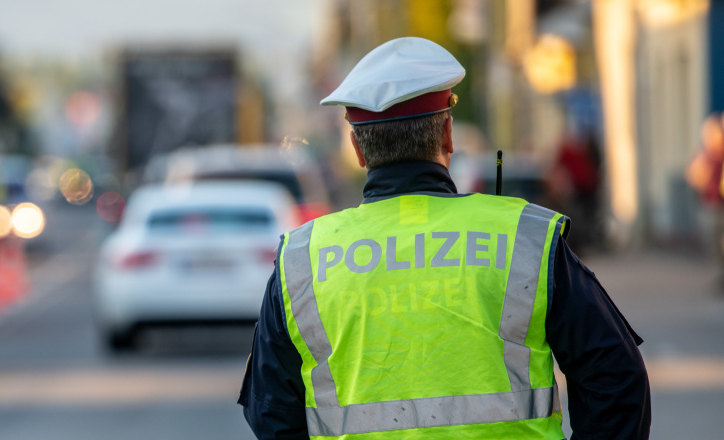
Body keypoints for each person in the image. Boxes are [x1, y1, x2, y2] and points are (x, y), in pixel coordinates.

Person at [239, 37, 650, 439]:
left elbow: (271, 411)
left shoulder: (302, 259)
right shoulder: (525, 239)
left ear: (358, 150)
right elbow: (616, 377)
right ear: (448, 134)